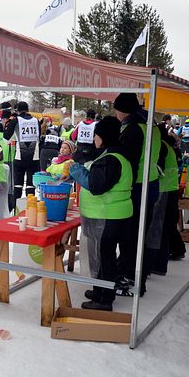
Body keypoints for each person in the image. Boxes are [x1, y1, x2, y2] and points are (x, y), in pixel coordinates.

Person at [68, 116, 132, 311]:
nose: (94, 138)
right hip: (111, 215)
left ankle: (103, 299)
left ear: (103, 136)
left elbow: (96, 186)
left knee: (102, 258)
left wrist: (76, 171)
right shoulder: (116, 156)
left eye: (96, 135)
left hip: (106, 216)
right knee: (105, 256)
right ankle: (101, 290)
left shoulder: (110, 160)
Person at [113, 93, 161, 297]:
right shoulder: (151, 125)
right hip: (151, 184)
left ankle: (127, 276)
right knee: (140, 233)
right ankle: (137, 273)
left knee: (130, 235)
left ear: (120, 109)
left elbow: (128, 162)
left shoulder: (133, 128)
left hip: (137, 187)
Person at [152, 122, 186, 271]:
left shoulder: (161, 147)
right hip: (170, 188)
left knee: (160, 226)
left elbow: (158, 169)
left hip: (163, 189)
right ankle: (178, 249)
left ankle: (158, 264)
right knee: (168, 223)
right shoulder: (168, 145)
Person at [2, 101, 40, 208]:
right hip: (34, 157)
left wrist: (7, 126)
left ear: (17, 111)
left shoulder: (15, 121)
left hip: (20, 157)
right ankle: (30, 210)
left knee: (17, 185)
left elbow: (6, 140)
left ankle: (15, 211)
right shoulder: (36, 121)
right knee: (30, 185)